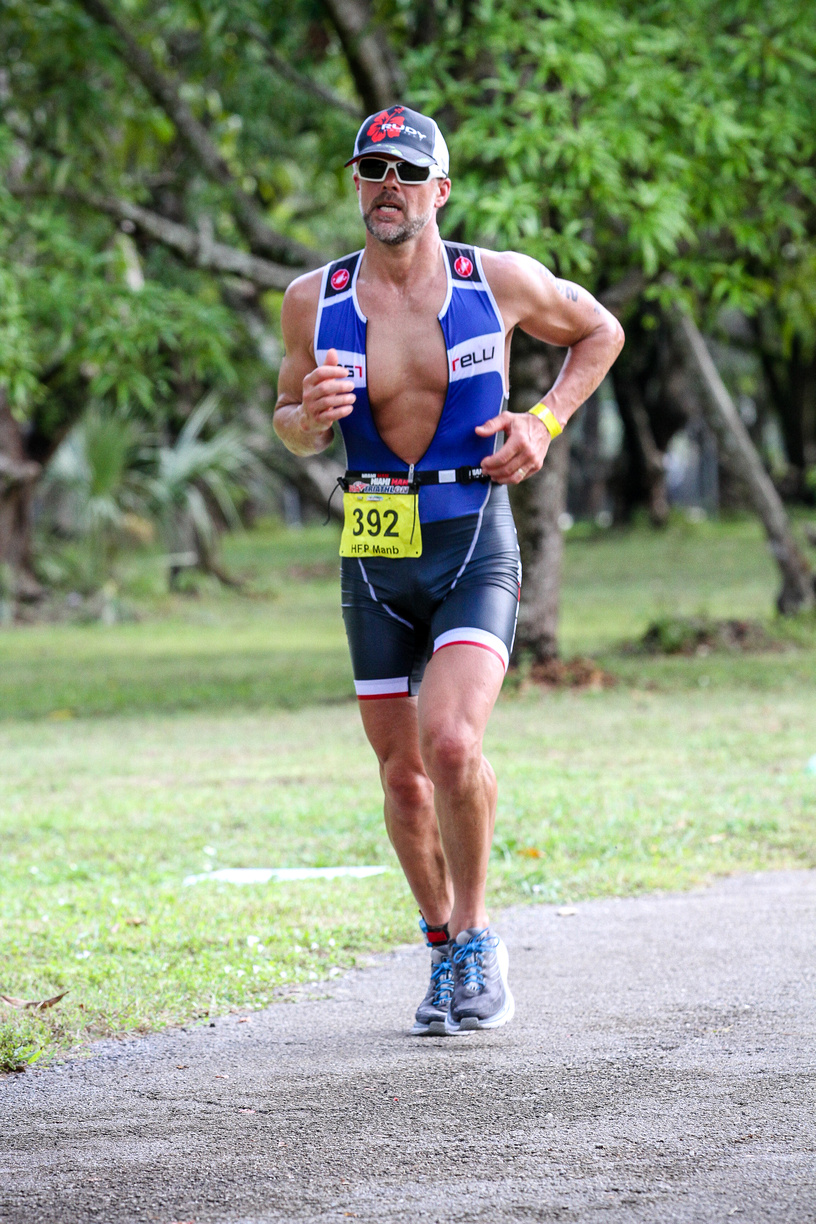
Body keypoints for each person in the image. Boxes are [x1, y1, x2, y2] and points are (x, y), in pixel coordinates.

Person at [274, 104, 624, 1035]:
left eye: (405, 170)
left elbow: (601, 332)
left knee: (453, 744)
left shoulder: (495, 280)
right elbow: (289, 421)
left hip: (472, 535)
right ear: (357, 185)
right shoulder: (313, 299)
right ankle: (441, 950)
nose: (387, 185)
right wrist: (308, 418)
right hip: (373, 550)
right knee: (402, 777)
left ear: (441, 189)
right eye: (371, 169)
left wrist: (542, 422)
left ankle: (476, 937)